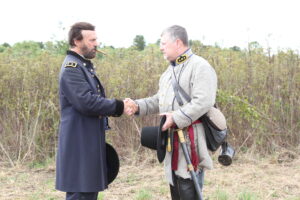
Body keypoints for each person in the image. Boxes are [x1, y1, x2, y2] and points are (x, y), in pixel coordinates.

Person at [126, 25, 217, 199]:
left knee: (189, 189)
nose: (160, 47)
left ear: (177, 42)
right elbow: (159, 99)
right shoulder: (169, 71)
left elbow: (204, 100)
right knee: (176, 189)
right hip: (172, 141)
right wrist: (137, 106)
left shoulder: (200, 66)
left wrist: (176, 117)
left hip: (190, 141)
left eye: (163, 43)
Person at [56, 22, 131, 200]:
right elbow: (87, 102)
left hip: (87, 138)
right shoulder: (71, 68)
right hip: (79, 141)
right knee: (81, 191)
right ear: (76, 40)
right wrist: (119, 106)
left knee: (88, 191)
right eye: (92, 40)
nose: (96, 44)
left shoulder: (82, 65)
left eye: (96, 39)